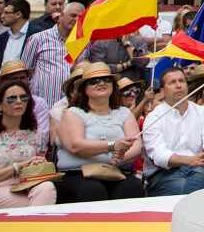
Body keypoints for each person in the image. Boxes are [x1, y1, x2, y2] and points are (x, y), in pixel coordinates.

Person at [56, 62, 145, 203]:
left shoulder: (124, 113)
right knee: (92, 191)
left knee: (132, 188)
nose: (101, 83)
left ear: (113, 86)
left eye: (106, 79)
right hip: (79, 173)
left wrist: (121, 157)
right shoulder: (72, 113)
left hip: (115, 172)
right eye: (94, 81)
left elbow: (136, 144)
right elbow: (76, 145)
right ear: (84, 89)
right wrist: (112, 145)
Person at [0, 81, 55, 208]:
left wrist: (38, 165)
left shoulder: (36, 135)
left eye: (24, 97)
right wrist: (18, 167)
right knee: (30, 206)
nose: (19, 101)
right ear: (0, 105)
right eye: (11, 98)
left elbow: (40, 170)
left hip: (28, 186)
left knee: (47, 188)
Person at [141, 66, 204, 196]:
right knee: (188, 185)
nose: (178, 85)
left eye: (181, 81)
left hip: (199, 167)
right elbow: (159, 155)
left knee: (198, 174)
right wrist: (190, 160)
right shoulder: (153, 118)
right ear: (162, 91)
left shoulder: (202, 112)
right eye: (172, 82)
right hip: (163, 173)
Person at [20, 2, 83, 108]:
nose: (76, 19)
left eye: (80, 17)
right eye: (73, 15)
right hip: (42, 106)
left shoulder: (84, 43)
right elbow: (24, 72)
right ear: (61, 15)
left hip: (71, 107)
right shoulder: (38, 39)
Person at [0, 0, 33, 68]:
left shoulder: (36, 34)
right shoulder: (2, 37)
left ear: (18, 14)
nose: (2, 16)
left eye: (6, 13)